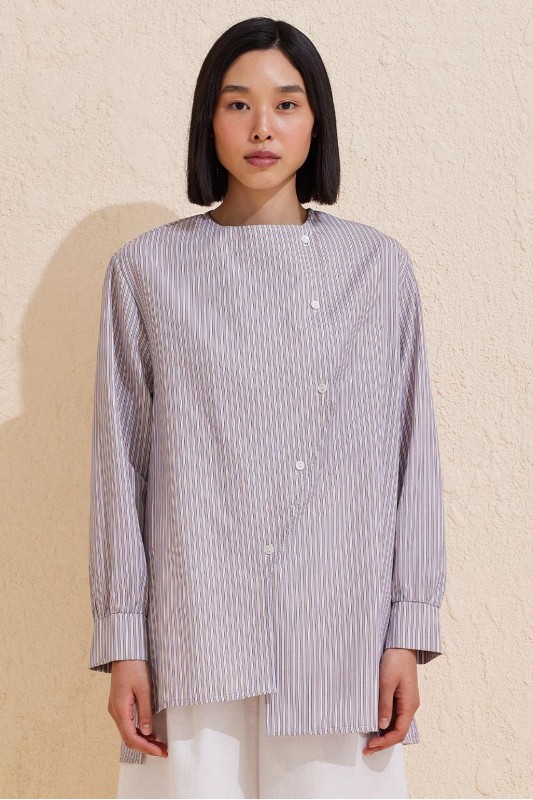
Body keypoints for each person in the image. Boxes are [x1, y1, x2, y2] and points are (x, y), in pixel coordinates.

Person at [88, 16, 447, 800]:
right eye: (236, 104)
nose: (261, 128)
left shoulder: (377, 270)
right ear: (208, 120)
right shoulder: (147, 272)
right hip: (192, 636)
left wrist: (408, 628)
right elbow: (122, 466)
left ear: (316, 121)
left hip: (343, 640)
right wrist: (124, 642)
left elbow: (410, 459)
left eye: (286, 104)